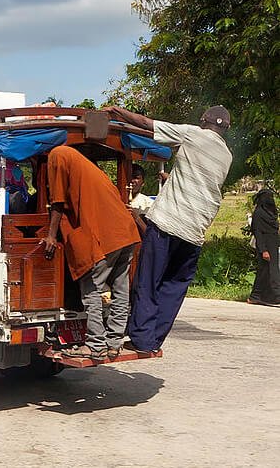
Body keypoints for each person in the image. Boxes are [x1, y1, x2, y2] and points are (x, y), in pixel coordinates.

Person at [104, 105, 233, 353]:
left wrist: (118, 112)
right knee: (173, 288)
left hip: (167, 224)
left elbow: (146, 123)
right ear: (225, 129)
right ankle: (153, 341)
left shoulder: (193, 134)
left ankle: (141, 338)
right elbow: (198, 180)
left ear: (203, 120)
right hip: (195, 232)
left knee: (148, 280)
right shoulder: (226, 155)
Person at [41, 146, 141, 360]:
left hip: (106, 237)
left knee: (91, 290)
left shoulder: (57, 156)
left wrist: (51, 235)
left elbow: (57, 201)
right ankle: (114, 343)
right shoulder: (85, 166)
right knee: (120, 289)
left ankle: (96, 345)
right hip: (126, 232)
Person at [248, 188, 280, 306]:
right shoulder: (258, 214)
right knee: (268, 271)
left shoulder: (270, 213)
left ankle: (261, 297)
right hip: (265, 246)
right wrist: (263, 250)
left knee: (267, 272)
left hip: (273, 245)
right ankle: (273, 295)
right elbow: (258, 233)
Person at [128, 164, 153, 235]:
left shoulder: (148, 203)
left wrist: (136, 218)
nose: (132, 181)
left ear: (143, 183)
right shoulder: (116, 198)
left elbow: (149, 235)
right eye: (130, 177)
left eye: (136, 178)